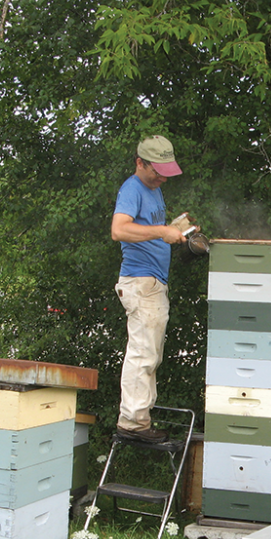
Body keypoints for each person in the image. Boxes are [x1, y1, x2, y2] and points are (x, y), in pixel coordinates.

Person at [111, 135, 196, 443]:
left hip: (152, 284)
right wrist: (162, 231)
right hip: (141, 281)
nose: (162, 177)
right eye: (156, 171)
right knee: (143, 354)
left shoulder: (154, 190)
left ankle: (139, 418)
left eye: (166, 172)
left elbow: (149, 230)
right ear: (139, 163)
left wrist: (176, 229)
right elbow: (119, 229)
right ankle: (133, 424)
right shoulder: (133, 189)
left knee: (150, 355)